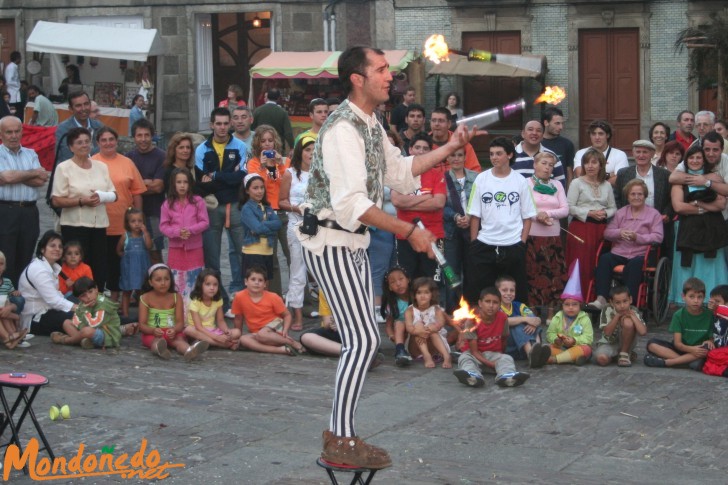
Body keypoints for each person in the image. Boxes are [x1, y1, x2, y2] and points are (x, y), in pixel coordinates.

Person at [298, 46, 475, 469]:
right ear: (357, 79)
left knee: (362, 340)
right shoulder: (342, 128)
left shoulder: (370, 123)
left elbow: (401, 171)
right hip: (331, 241)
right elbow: (352, 204)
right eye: (380, 69)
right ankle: (339, 438)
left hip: (352, 243)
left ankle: (342, 435)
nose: (389, 75)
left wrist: (449, 145)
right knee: (361, 340)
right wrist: (409, 230)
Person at [465, 137, 535, 306]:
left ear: (510, 155)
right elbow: (475, 214)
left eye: (498, 153)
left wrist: (522, 243)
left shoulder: (521, 181)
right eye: (491, 154)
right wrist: (474, 242)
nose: (494, 157)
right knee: (481, 291)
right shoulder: (481, 179)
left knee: (514, 293)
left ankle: (514, 326)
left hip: (513, 243)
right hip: (485, 242)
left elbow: (528, 216)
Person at [51, 127, 117, 290]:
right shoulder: (64, 168)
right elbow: (57, 200)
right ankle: (77, 304)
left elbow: (114, 194)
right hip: (75, 225)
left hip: (99, 224)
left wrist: (102, 197)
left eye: (87, 141)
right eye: (79, 142)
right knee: (78, 266)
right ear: (71, 147)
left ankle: (98, 301)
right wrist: (81, 201)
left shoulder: (101, 166)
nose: (84, 145)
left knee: (99, 266)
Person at [195, 107, 247, 307]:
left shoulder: (240, 146)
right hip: (211, 206)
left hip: (234, 205)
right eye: (219, 123)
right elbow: (202, 181)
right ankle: (219, 300)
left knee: (243, 253)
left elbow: (241, 177)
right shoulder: (202, 149)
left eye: (226, 123)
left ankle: (243, 296)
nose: (223, 127)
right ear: (211, 125)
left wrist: (215, 175)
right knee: (212, 257)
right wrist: (228, 178)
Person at [668, 144, 728, 304]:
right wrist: (707, 208)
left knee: (709, 266)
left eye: (698, 157)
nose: (695, 160)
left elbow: (721, 204)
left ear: (704, 160)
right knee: (688, 266)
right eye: (691, 157)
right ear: (686, 160)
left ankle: (714, 300)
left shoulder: (713, 178)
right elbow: (679, 207)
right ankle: (688, 302)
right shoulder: (679, 180)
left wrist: (698, 204)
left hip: (711, 231)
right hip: (688, 229)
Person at [590, 179, 663, 308]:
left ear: (645, 195)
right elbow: (607, 233)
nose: (636, 197)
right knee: (605, 259)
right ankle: (601, 298)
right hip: (620, 252)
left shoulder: (654, 214)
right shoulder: (621, 212)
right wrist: (620, 232)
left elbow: (658, 237)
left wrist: (638, 237)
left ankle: (629, 302)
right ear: (627, 196)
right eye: (633, 194)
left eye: (640, 194)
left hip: (640, 254)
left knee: (634, 265)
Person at [92, 126, 145, 300]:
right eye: (104, 140)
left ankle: (116, 302)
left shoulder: (127, 162)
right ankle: (97, 299)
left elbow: (137, 191)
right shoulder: (91, 162)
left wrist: (138, 221)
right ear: (98, 142)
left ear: (116, 141)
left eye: (111, 139)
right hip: (98, 223)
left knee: (120, 265)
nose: (108, 143)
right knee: (99, 264)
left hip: (122, 225)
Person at [391, 133, 446, 281]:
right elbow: (397, 201)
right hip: (405, 234)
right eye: (417, 147)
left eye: (425, 149)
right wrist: (426, 197)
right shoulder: (400, 174)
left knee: (432, 281)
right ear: (410, 150)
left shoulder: (437, 174)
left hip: (433, 235)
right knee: (407, 281)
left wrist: (408, 201)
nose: (421, 151)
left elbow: (438, 203)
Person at [0, 116, 48, 285]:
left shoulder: (31, 153)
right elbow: (4, 177)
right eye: (8, 132)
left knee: (26, 255)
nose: (13, 135)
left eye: (17, 131)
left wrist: (14, 176)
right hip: (6, 211)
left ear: (22, 131)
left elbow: (40, 180)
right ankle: (5, 297)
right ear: (1, 134)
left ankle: (22, 298)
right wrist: (30, 173)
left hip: (29, 211)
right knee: (5, 256)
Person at [244, 125, 290, 295]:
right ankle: (276, 296)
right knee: (273, 260)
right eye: (263, 141)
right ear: (257, 143)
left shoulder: (283, 161)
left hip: (284, 211)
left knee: (293, 258)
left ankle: (299, 298)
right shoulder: (253, 163)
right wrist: (264, 168)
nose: (267, 144)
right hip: (266, 214)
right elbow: (258, 187)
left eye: (270, 140)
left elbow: (284, 182)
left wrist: (277, 165)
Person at [453, 287, 530, 388]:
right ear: (480, 303)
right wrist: (492, 364)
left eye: (495, 302)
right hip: (475, 356)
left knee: (507, 358)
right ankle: (472, 376)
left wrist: (499, 358)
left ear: (499, 304)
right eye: (487, 301)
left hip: (493, 354)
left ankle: (507, 377)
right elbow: (474, 352)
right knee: (464, 358)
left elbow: (503, 339)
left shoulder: (503, 317)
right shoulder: (471, 321)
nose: (491, 306)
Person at [566, 148, 616, 295]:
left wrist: (605, 213)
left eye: (594, 163)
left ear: (601, 165)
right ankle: (577, 298)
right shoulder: (577, 183)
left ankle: (595, 297)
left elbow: (613, 207)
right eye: (586, 163)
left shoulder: (606, 185)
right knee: (581, 264)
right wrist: (589, 213)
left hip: (601, 229)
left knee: (598, 264)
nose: (590, 166)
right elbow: (569, 207)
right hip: (581, 228)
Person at [159, 168, 209, 312]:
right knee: (177, 281)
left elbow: (205, 222)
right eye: (178, 182)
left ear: (190, 184)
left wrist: (190, 230)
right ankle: (178, 312)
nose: (182, 185)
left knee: (194, 280)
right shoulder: (167, 204)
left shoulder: (198, 201)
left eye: (185, 182)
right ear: (173, 184)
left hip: (195, 248)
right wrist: (177, 232)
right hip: (175, 249)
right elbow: (163, 226)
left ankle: (195, 313)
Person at [525, 152, 568, 312]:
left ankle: (551, 311)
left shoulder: (557, 185)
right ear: (535, 164)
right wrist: (537, 216)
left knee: (554, 274)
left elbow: (564, 209)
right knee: (532, 273)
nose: (547, 167)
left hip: (552, 238)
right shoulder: (526, 183)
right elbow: (524, 207)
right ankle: (533, 310)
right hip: (531, 235)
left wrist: (547, 214)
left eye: (551, 165)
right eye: (544, 163)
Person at [279, 136, 314, 331]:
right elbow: (281, 201)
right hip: (296, 226)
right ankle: (296, 314)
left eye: (314, 150)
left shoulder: (322, 174)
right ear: (300, 152)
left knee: (321, 271)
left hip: (318, 227)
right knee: (298, 271)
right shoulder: (290, 174)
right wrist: (298, 208)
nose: (311, 154)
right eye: (308, 149)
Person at [138, 264, 209, 361]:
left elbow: (180, 322)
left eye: (166, 279)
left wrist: (174, 330)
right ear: (150, 282)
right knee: (155, 342)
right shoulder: (145, 298)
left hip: (172, 332)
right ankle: (160, 350)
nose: (163, 283)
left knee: (179, 341)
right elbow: (142, 325)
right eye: (158, 280)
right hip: (153, 333)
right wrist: (153, 330)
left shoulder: (176, 297)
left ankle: (189, 350)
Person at [231, 265, 305, 355]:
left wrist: (285, 330)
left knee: (262, 334)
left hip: (275, 327)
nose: (256, 283)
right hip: (256, 333)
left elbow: (287, 315)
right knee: (243, 339)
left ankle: (291, 342)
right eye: (253, 279)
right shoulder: (239, 297)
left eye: (260, 280)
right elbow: (238, 318)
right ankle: (281, 350)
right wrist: (237, 337)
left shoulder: (273, 297)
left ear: (265, 284)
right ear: (246, 282)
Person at [645, 277, 712, 370]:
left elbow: (713, 339)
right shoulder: (678, 315)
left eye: (699, 297)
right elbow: (678, 344)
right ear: (683, 297)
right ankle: (686, 362)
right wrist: (692, 350)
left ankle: (670, 362)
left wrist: (710, 341)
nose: (696, 301)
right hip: (684, 349)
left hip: (700, 350)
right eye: (691, 296)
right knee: (651, 344)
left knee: (708, 350)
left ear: (704, 297)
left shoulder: (709, 315)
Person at [18, 231, 77, 336]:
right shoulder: (39, 270)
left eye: (60, 246)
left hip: (49, 309)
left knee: (78, 300)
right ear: (42, 249)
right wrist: (79, 308)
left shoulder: (50, 267)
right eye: (52, 246)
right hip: (34, 318)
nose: (57, 249)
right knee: (75, 315)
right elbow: (54, 300)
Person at [126, 119, 166, 264]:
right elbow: (126, 188)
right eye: (139, 135)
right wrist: (146, 182)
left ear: (152, 136)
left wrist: (135, 186)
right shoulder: (129, 158)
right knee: (134, 252)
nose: (143, 139)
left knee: (155, 252)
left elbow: (158, 187)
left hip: (154, 213)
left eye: (146, 135)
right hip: (132, 214)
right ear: (134, 137)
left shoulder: (162, 156)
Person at [443, 147, 476, 312]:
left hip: (473, 230)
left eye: (459, 155)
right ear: (447, 158)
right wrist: (455, 216)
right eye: (452, 155)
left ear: (465, 157)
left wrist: (470, 216)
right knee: (451, 272)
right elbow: (440, 205)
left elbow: (482, 202)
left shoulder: (476, 177)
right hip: (450, 231)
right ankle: (452, 310)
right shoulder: (442, 179)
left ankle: (471, 309)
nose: (456, 158)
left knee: (472, 272)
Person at [50, 277, 125, 349]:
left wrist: (85, 311)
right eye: (83, 296)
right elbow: (76, 318)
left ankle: (67, 340)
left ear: (96, 289)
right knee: (67, 323)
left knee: (87, 331)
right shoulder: (83, 304)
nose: (88, 297)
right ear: (79, 298)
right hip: (88, 330)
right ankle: (84, 341)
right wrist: (81, 325)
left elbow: (94, 324)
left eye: (90, 292)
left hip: (107, 335)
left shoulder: (103, 304)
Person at [544, 262, 594, 365]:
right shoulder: (557, 317)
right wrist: (556, 340)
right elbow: (549, 333)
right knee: (547, 347)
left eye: (574, 304)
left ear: (580, 305)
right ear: (562, 306)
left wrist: (574, 340)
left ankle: (555, 359)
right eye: (567, 304)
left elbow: (588, 338)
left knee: (586, 349)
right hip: (561, 347)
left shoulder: (584, 318)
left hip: (577, 346)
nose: (570, 307)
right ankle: (570, 358)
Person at [497, 275, 551, 369]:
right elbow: (503, 321)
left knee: (533, 321)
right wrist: (524, 319)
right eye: (504, 290)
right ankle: (531, 354)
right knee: (517, 321)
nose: (509, 293)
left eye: (512, 290)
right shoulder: (496, 307)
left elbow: (536, 319)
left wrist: (534, 324)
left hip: (522, 347)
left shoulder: (519, 305)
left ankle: (537, 350)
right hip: (509, 348)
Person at [239, 173, 281, 284]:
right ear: (247, 191)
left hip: (267, 251)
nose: (260, 191)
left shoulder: (267, 207)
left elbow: (278, 223)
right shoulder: (247, 209)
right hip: (253, 252)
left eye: (262, 187)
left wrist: (263, 225)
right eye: (255, 188)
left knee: (265, 284)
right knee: (253, 286)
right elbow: (258, 228)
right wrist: (269, 227)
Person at [184, 269, 241, 349]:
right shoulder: (195, 302)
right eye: (208, 284)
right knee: (188, 329)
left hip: (212, 330)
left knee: (237, 332)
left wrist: (226, 330)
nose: (212, 288)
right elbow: (198, 327)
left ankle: (206, 342)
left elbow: (220, 321)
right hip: (198, 331)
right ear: (200, 285)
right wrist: (216, 338)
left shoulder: (217, 300)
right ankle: (224, 344)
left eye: (215, 285)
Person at [404, 277, 452, 369]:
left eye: (426, 292)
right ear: (414, 295)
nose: (423, 295)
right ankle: (427, 356)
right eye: (419, 293)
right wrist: (419, 331)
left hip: (435, 346)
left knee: (432, 329)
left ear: (432, 295)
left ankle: (446, 356)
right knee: (418, 326)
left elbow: (441, 323)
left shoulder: (436, 309)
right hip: (416, 347)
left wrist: (431, 328)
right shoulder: (410, 311)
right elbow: (409, 328)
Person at [594, 286, 647, 367]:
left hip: (627, 342)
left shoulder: (634, 310)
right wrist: (617, 316)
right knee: (602, 360)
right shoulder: (607, 309)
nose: (622, 306)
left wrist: (633, 317)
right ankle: (616, 356)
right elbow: (607, 333)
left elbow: (643, 332)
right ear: (611, 302)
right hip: (608, 343)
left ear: (630, 300)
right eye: (618, 303)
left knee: (628, 322)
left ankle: (624, 353)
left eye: (625, 301)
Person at [117, 208, 152, 317]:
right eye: (133, 221)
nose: (137, 224)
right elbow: (118, 250)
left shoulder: (144, 235)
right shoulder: (125, 236)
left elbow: (149, 246)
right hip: (129, 269)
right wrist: (124, 257)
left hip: (142, 268)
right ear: (128, 223)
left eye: (139, 221)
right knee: (127, 291)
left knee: (142, 291)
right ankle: (125, 314)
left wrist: (146, 233)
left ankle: (143, 315)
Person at [573, 120, 629, 185]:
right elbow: (580, 175)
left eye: (601, 134)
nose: (597, 137)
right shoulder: (581, 153)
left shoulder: (620, 155)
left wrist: (598, 184)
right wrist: (609, 175)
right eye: (593, 134)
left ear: (607, 135)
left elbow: (619, 178)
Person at [513, 120, 565, 188]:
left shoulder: (552, 156)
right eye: (530, 129)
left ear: (543, 135)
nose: (534, 133)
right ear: (523, 134)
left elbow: (561, 186)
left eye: (538, 130)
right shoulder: (510, 156)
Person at [54, 91, 103, 164]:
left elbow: (104, 151)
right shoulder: (63, 129)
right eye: (78, 106)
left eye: (86, 104)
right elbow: (68, 157)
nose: (83, 108)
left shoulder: (98, 126)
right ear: (70, 109)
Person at [429, 107, 481, 172]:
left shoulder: (461, 142)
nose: (436, 124)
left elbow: (475, 171)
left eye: (441, 121)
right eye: (433, 120)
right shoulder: (422, 143)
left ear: (449, 124)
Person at [381, 266, 414, 366]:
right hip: (403, 337)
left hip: (417, 334)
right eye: (393, 282)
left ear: (408, 279)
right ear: (390, 287)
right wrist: (392, 336)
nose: (398, 284)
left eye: (401, 279)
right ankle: (400, 351)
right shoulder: (392, 304)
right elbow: (388, 325)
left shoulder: (417, 297)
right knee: (399, 323)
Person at [541, 107, 576, 187]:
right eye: (557, 123)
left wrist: (567, 193)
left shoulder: (567, 144)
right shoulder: (537, 143)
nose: (561, 127)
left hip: (559, 191)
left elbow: (569, 172)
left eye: (562, 123)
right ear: (546, 123)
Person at [0, 251, 27, 349]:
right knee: (4, 314)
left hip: (4, 311)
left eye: (1, 264)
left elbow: (11, 294)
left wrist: (15, 293)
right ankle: (8, 337)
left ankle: (11, 338)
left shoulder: (7, 282)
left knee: (7, 309)